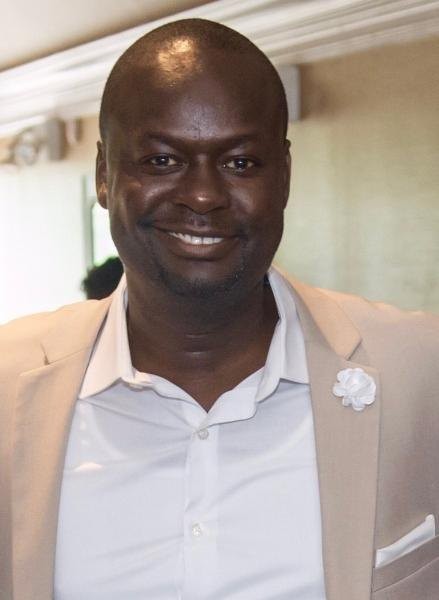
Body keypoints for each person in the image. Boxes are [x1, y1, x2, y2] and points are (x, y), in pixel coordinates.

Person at [1, 18, 438, 600]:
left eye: (240, 162)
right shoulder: (9, 386)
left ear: (284, 175)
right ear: (104, 175)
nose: (204, 195)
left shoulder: (419, 370)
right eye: (162, 160)